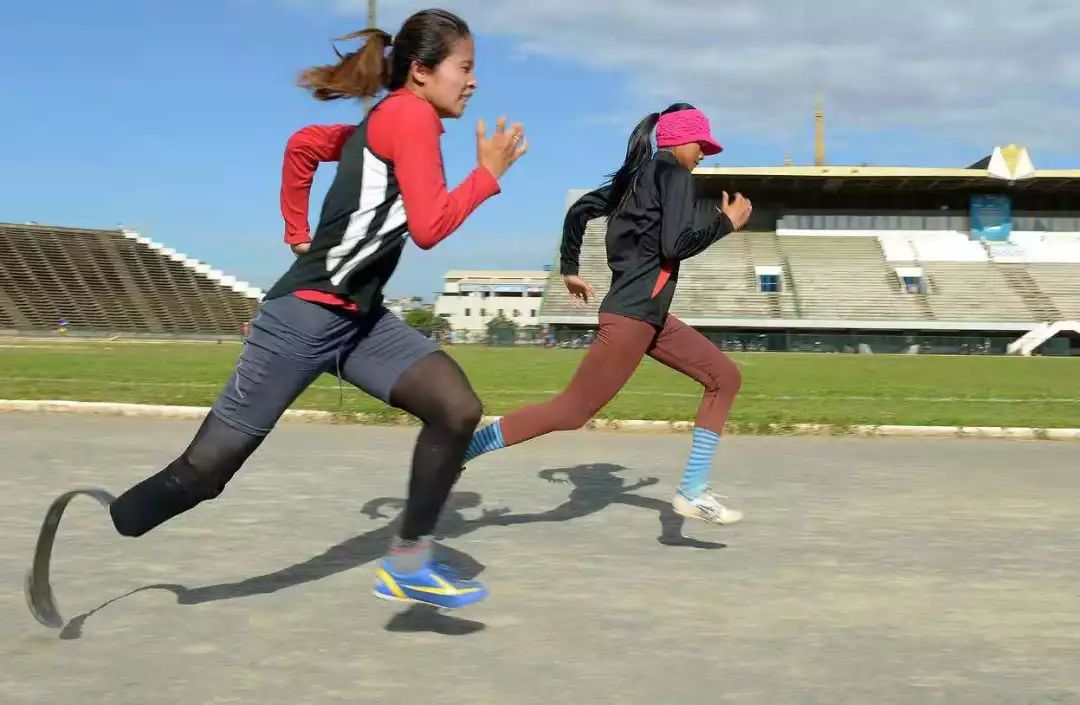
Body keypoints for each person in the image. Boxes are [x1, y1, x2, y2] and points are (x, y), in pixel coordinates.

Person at [27, 8, 527, 622]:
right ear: (421, 72)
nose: (473, 82)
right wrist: (488, 176)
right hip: (303, 320)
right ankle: (108, 514)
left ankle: (407, 563)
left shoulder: (392, 122)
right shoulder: (411, 117)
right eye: (465, 67)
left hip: (359, 322)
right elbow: (429, 227)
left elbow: (303, 146)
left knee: (456, 407)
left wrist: (298, 230)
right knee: (203, 476)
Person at [460, 103, 752, 525]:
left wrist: (569, 269)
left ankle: (692, 491)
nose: (705, 152)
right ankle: (463, 449)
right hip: (634, 317)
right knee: (571, 411)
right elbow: (676, 245)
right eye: (702, 144)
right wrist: (725, 223)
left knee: (725, 377)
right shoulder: (674, 175)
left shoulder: (635, 179)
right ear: (680, 139)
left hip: (648, 318)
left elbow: (579, 211)